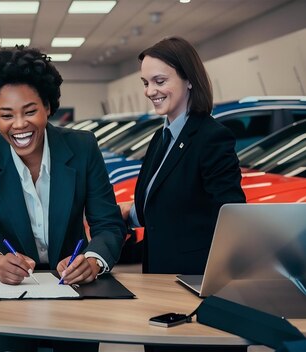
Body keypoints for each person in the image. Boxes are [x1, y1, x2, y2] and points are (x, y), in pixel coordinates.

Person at [0, 46, 126, 352]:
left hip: (75, 292)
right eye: (6, 115)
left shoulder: (82, 147)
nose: (19, 125)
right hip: (13, 296)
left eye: (29, 111)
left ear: (47, 106)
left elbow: (109, 225)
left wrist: (93, 261)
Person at [119, 37, 246, 352]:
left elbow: (232, 216)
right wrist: (127, 213)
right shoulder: (160, 137)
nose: (151, 91)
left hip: (196, 290)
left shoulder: (211, 138)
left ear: (189, 80)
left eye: (160, 81)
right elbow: (165, 203)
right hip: (159, 281)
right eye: (146, 82)